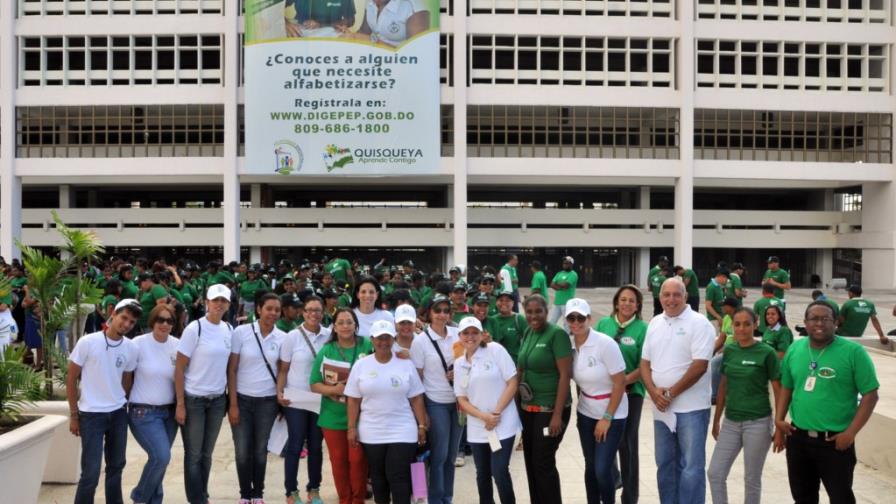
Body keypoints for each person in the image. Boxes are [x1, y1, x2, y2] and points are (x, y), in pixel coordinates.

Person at [775, 301, 880, 504]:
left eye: (826, 319)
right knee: (803, 498)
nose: (820, 323)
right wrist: (779, 420)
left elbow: (870, 395)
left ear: (836, 323)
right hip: (798, 439)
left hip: (835, 443)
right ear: (805, 323)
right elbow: (787, 387)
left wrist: (850, 433)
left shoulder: (853, 353)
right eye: (814, 318)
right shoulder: (795, 349)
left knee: (841, 498)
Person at [640, 277, 715, 504]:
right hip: (661, 410)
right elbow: (644, 363)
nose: (671, 299)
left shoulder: (700, 323)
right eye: (666, 294)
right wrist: (653, 393)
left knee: (691, 467)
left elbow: (700, 366)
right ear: (659, 297)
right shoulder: (655, 322)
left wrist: (670, 393)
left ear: (685, 296)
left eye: (676, 294)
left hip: (691, 409)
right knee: (665, 464)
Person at [345, 319, 428, 504]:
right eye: (379, 338)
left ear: (394, 339)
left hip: (402, 428)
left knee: (398, 475)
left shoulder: (405, 364)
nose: (384, 342)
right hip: (371, 430)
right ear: (372, 340)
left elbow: (416, 397)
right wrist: (351, 427)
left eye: (388, 338)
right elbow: (353, 399)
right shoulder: (361, 365)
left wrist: (421, 425)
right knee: (378, 476)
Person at [67, 299, 140, 504]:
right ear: (113, 313)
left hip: (118, 414)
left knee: (116, 467)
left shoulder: (131, 348)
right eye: (124, 318)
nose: (126, 324)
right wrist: (74, 415)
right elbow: (71, 378)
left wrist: (120, 400)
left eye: (131, 322)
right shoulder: (88, 342)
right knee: (90, 473)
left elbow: (127, 378)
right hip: (91, 415)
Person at [708, 307, 782, 504]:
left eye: (747, 324)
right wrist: (716, 421)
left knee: (751, 479)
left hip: (758, 423)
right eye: (737, 324)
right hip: (731, 422)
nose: (741, 329)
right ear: (732, 326)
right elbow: (723, 386)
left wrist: (780, 424)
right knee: (715, 473)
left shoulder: (767, 353)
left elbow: (778, 390)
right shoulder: (730, 350)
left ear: (756, 325)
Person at [175, 284, 234, 504]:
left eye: (224, 301)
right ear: (207, 302)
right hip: (194, 400)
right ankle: (196, 499)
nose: (219, 304)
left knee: (207, 454)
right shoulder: (195, 329)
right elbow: (179, 368)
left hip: (218, 400)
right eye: (215, 300)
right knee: (194, 455)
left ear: (228, 304)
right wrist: (180, 403)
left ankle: (202, 494)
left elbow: (230, 367)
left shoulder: (229, 329)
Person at [454, 316, 521, 504]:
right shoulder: (460, 363)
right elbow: (461, 398)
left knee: (499, 471)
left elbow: (512, 382)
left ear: (482, 334)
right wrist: (484, 416)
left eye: (475, 332)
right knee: (482, 473)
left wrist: (496, 413)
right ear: (459, 336)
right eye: (466, 333)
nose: (470, 336)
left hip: (503, 423)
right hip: (478, 426)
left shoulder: (496, 350)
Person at [310, 308, 373, 504]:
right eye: (341, 323)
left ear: (356, 325)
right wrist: (335, 390)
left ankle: (357, 499)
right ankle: (344, 499)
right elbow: (314, 384)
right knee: (338, 462)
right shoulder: (327, 350)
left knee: (358, 462)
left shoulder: (368, 345)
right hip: (333, 417)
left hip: (362, 416)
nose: (345, 326)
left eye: (349, 322)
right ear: (334, 327)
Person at [567, 298, 628, 504]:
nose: (576, 322)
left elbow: (620, 383)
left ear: (589, 319)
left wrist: (607, 417)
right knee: (590, 466)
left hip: (612, 411)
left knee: (602, 468)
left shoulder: (605, 344)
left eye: (580, 317)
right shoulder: (569, 345)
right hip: (586, 411)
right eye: (571, 318)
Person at [228, 293, 285, 503]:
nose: (273, 313)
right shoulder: (241, 333)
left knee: (260, 451)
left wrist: (280, 401)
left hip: (267, 403)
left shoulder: (283, 338)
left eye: (277, 310)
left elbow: (281, 373)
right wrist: (232, 404)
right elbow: (232, 370)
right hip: (242, 400)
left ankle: (258, 493)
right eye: (269, 308)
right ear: (259, 309)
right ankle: (245, 494)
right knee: (242, 451)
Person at [595, 285, 648, 504]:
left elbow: (645, 365)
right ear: (616, 302)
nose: (627, 304)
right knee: (604, 440)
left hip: (631, 393)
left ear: (638, 306)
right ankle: (612, 480)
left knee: (627, 444)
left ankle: (630, 497)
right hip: (602, 394)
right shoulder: (602, 325)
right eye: (623, 299)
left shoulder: (644, 329)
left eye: (632, 301)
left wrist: (622, 382)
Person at [517, 294, 572, 503]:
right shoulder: (528, 332)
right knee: (531, 461)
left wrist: (557, 415)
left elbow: (565, 375)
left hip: (549, 410)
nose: (533, 316)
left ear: (546, 312)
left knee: (543, 462)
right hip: (528, 409)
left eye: (538, 311)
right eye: (529, 312)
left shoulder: (557, 335)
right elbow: (520, 368)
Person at [410, 295, 462, 504]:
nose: (442, 314)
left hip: (459, 403)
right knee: (439, 456)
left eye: (446, 310)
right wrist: (421, 417)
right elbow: (417, 381)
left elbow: (473, 361)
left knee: (452, 456)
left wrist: (459, 371)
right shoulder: (420, 342)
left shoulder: (459, 335)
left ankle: (447, 498)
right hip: (436, 403)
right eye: (437, 310)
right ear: (429, 313)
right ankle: (435, 498)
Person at [278, 295, 330, 504]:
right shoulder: (292, 337)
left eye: (317, 310)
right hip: (296, 398)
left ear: (323, 312)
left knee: (316, 446)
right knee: (296, 444)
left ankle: (314, 489)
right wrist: (279, 393)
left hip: (320, 399)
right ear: (303, 312)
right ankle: (291, 491)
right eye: (309, 310)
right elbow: (283, 369)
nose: (313, 314)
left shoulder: (329, 335)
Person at [128, 304, 180, 504]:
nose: (165, 324)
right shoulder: (137, 344)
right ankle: (140, 498)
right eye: (161, 319)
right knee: (161, 457)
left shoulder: (178, 345)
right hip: (143, 412)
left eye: (169, 321)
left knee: (159, 461)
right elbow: (126, 375)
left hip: (169, 413)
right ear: (152, 321)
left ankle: (155, 500)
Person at [354, 0, 431, 47]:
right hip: (373, 57)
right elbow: (364, 31)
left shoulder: (413, 8)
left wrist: (373, 41)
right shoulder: (370, 1)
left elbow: (416, 55)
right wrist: (348, 34)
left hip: (398, 65)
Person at [486, 290, 527, 364]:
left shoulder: (519, 319)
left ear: (513, 303)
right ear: (496, 302)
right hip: (495, 363)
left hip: (514, 362)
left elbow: (529, 341)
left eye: (507, 300)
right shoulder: (491, 320)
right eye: (501, 300)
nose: (504, 303)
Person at [547, 256, 578, 324]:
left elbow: (566, 285)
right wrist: (561, 287)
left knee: (566, 323)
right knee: (552, 321)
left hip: (567, 303)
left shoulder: (573, 274)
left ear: (571, 264)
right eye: (564, 263)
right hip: (557, 302)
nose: (564, 265)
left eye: (567, 263)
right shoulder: (559, 273)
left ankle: (566, 335)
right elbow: (551, 284)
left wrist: (557, 284)